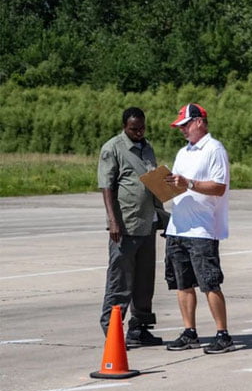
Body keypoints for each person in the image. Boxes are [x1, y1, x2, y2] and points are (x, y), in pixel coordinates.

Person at [162, 103, 236, 354]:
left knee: (209, 283)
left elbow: (219, 187)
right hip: (178, 226)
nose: (182, 130)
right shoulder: (184, 152)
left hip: (202, 229)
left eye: (185, 125)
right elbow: (178, 182)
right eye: (180, 126)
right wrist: (166, 184)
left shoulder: (214, 149)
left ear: (199, 122)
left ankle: (223, 334)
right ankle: (189, 331)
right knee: (182, 284)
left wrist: (189, 183)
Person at [97, 107, 165, 347]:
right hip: (125, 226)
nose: (138, 132)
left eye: (142, 128)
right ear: (124, 126)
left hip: (147, 225)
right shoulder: (113, 148)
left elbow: (152, 182)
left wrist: (162, 217)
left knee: (144, 282)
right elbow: (106, 186)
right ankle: (112, 331)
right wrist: (112, 220)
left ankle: (140, 329)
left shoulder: (147, 147)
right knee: (120, 281)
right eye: (134, 129)